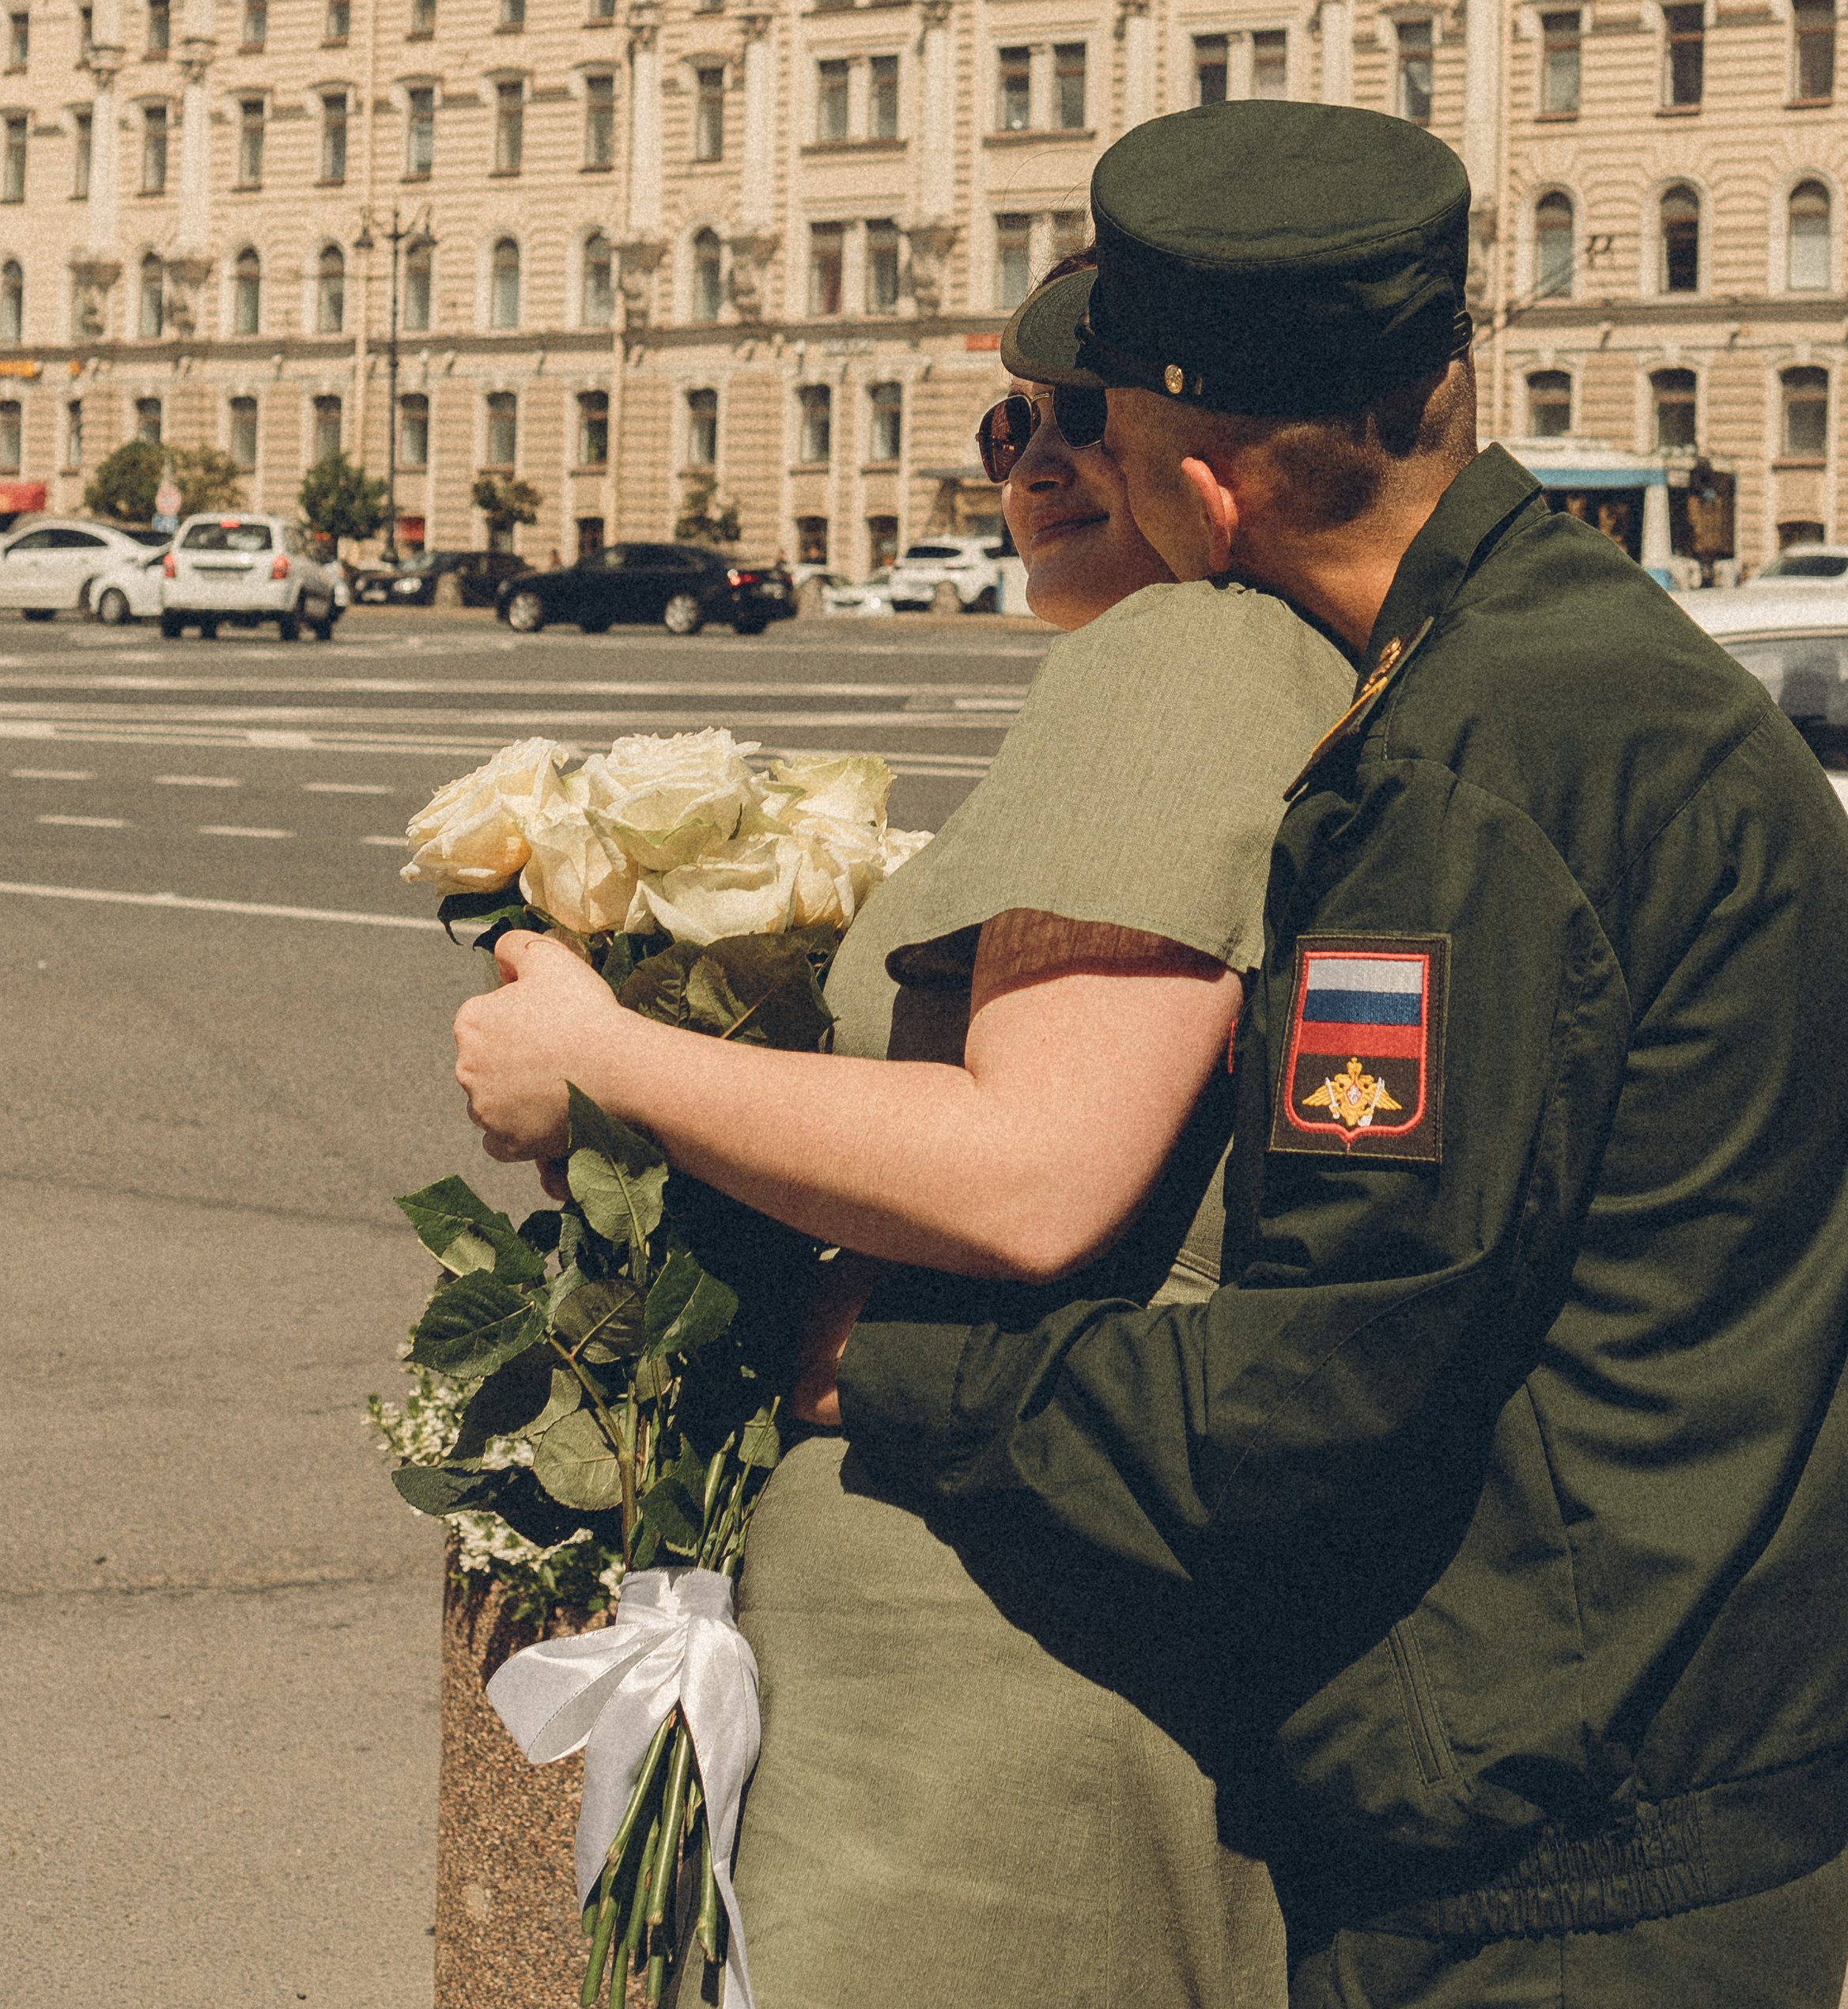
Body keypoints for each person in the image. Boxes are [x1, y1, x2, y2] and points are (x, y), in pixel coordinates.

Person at [826, 102, 1848, 2009]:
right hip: (1669, 1782)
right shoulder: (1590, 673)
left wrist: (896, 1373)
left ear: (1215, 499)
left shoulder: (1465, 773)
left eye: (1109, 436)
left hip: (1551, 1869)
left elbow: (1318, 1392)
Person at [452, 261, 1359, 2009]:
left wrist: (605, 1061)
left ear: (1210, 447)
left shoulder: (1195, 649)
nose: (1028, 462)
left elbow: (1032, 1171)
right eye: (1005, 419)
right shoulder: (1250, 661)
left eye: (1083, 416)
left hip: (982, 1661)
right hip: (1048, 1611)